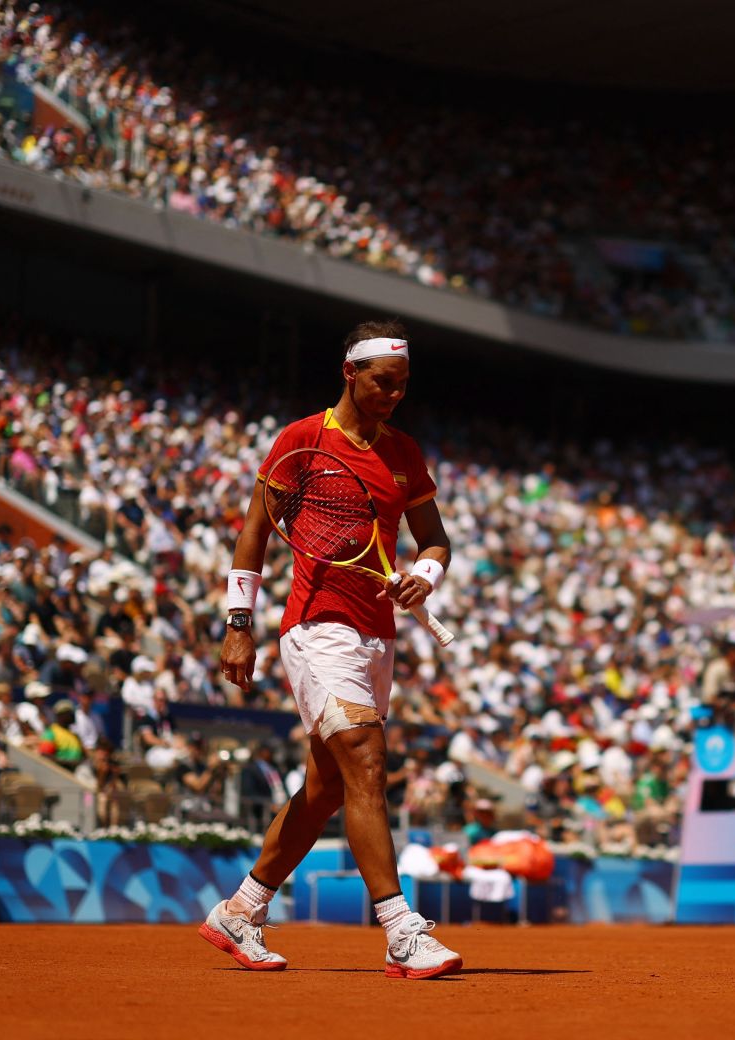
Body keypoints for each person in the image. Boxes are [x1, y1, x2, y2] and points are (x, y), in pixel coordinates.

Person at [201, 321, 460, 977]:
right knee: (367, 762)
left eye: (402, 385)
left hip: (379, 637)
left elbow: (435, 541)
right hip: (317, 630)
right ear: (350, 372)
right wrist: (239, 623)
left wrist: (424, 575)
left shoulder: (404, 451)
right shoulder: (301, 441)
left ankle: (240, 908)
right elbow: (256, 531)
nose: (394, 395)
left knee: (325, 790)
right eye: (383, 382)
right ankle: (401, 931)